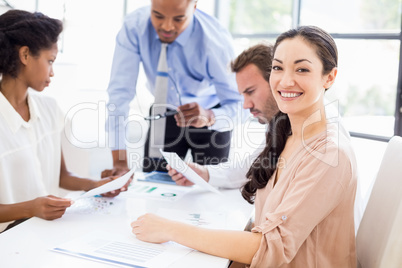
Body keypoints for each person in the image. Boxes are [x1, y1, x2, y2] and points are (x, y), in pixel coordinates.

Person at [131, 25, 358, 267]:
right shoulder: (288, 131)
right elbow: (247, 170)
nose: (286, 80)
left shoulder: (327, 152)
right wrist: (204, 174)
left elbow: (271, 248)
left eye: (302, 69)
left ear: (329, 77)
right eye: (278, 68)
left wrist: (170, 229)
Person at [0, 10, 129, 233]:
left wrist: (95, 186)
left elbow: (62, 176)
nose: (52, 72)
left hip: (48, 232)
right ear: (25, 55)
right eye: (50, 61)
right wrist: (31, 208)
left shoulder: (49, 108)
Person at [102, 0, 242, 177]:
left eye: (178, 19)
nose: (167, 27)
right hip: (164, 112)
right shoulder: (134, 28)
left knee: (209, 188)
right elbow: (119, 94)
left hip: (210, 116)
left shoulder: (215, 41)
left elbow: (239, 104)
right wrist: (119, 161)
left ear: (195, 7)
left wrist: (210, 116)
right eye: (158, 16)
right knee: (153, 183)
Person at [169, 43, 279, 188]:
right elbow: (252, 167)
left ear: (277, 82)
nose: (246, 105)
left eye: (251, 91)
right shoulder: (276, 128)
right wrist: (204, 174)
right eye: (243, 95)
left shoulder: (302, 130)